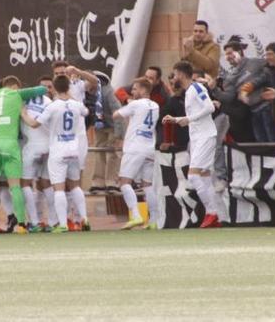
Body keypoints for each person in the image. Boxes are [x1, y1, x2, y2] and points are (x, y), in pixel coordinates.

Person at [0, 77, 47, 235]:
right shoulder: (17, 95)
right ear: (14, 87)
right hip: (10, 146)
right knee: (15, 186)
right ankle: (21, 225)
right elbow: (42, 90)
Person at [26, 74, 90, 233]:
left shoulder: (52, 106)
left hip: (58, 150)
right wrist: (71, 97)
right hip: (74, 150)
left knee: (59, 188)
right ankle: (84, 219)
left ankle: (62, 224)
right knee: (75, 186)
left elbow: (34, 124)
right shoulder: (76, 104)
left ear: (54, 88)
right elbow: (86, 112)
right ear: (68, 87)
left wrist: (23, 113)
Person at [163, 61, 224, 228]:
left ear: (181, 74)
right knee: (204, 177)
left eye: (174, 75)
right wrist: (175, 120)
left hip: (205, 136)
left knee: (193, 176)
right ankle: (215, 214)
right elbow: (195, 114)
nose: (173, 78)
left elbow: (210, 107)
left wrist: (188, 119)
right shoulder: (189, 91)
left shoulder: (197, 88)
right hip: (197, 137)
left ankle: (212, 213)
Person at [112, 78, 160, 230]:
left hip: (134, 147)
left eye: (134, 89)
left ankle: (136, 215)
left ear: (143, 90)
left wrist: (127, 101)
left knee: (124, 182)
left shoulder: (135, 104)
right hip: (149, 148)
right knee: (148, 185)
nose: (132, 92)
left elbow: (115, 115)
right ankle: (154, 220)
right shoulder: (155, 105)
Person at [211, 37, 264, 143]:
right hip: (247, 117)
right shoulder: (230, 76)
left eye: (230, 53)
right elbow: (229, 97)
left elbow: (272, 68)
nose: (228, 57)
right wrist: (214, 89)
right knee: (258, 144)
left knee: (269, 142)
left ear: (239, 51)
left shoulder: (255, 63)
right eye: (226, 55)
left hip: (262, 110)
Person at [20, 77, 53, 232]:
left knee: (25, 184)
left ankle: (34, 222)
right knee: (46, 184)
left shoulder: (21, 99)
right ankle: (54, 221)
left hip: (32, 145)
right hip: (48, 146)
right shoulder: (48, 101)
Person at [89, 71, 124, 195]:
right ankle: (98, 182)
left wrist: (119, 135)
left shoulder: (108, 92)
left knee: (112, 154)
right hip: (100, 126)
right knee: (99, 153)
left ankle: (111, 182)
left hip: (113, 126)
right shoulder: (88, 93)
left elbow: (119, 113)